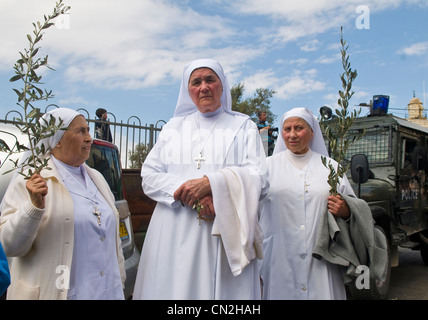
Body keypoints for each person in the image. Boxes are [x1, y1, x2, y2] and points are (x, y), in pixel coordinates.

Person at [133, 59, 269, 300]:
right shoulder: (173, 128)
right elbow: (149, 176)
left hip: (222, 231)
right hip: (173, 230)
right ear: (188, 91)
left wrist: (212, 184)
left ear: (222, 85)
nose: (203, 87)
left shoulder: (243, 126)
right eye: (196, 82)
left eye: (210, 80)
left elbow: (260, 177)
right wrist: (191, 194)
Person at [0, 108, 125, 300]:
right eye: (80, 131)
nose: (89, 138)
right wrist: (33, 206)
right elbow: (10, 245)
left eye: (88, 130)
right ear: (57, 139)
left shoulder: (97, 178)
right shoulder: (33, 180)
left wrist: (120, 281)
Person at [258, 107, 355, 300]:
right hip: (279, 259)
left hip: (322, 260)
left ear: (312, 132)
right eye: (287, 129)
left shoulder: (331, 168)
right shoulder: (266, 168)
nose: (292, 134)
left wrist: (346, 211)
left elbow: (354, 210)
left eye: (299, 128)